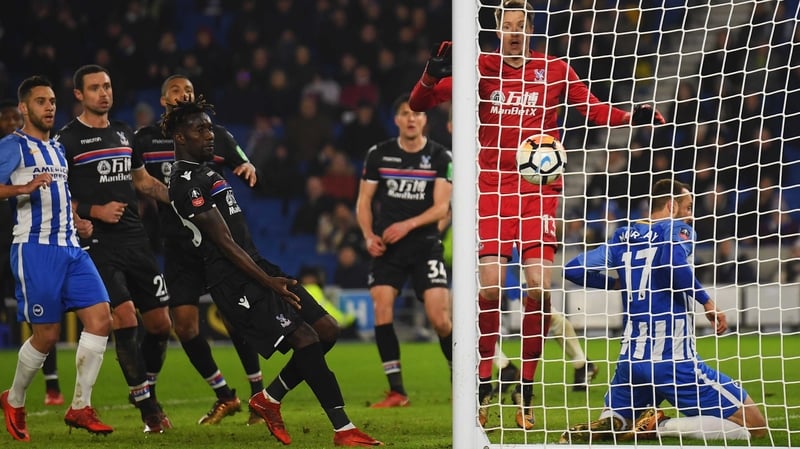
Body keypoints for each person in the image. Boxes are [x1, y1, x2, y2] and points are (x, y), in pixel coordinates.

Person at [408, 0, 665, 429]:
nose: (513, 32)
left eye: (520, 26)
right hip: (489, 191)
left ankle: (525, 394)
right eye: (506, 26)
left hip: (538, 193)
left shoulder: (556, 70)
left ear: (530, 30)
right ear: (497, 29)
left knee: (540, 289)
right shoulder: (480, 67)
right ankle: (483, 386)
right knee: (489, 289)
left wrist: (632, 115)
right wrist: (431, 72)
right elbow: (420, 102)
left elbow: (595, 109)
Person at [163, 96, 382, 447]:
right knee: (307, 339)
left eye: (209, 127)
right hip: (233, 279)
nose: (209, 135)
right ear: (179, 137)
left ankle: (269, 398)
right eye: (199, 129)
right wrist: (270, 283)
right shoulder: (185, 182)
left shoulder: (207, 172)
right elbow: (224, 244)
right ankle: (344, 429)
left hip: (254, 265)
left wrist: (266, 274)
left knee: (327, 330)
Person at [560, 179, 767, 443]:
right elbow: (671, 262)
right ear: (672, 205)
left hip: (630, 361)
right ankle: (661, 426)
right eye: (688, 207)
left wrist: (615, 283)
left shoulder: (623, 236)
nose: (691, 215)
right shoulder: (678, 230)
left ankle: (616, 420)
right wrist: (707, 301)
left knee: (616, 423)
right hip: (673, 360)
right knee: (755, 427)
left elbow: (572, 270)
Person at [133, 74, 264, 425]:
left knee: (235, 318)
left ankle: (259, 396)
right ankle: (225, 395)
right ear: (163, 100)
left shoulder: (212, 132)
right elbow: (140, 181)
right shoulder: (144, 139)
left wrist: (246, 165)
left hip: (213, 241)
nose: (184, 94)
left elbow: (243, 161)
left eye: (189, 90)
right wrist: (176, 199)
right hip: (177, 246)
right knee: (185, 326)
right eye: (176, 90)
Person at [54, 65, 173, 433]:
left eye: (107, 86)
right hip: (98, 245)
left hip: (136, 241)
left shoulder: (124, 132)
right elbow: (58, 196)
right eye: (94, 88)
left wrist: (184, 201)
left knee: (160, 325)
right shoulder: (67, 140)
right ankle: (149, 410)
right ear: (79, 95)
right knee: (124, 319)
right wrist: (90, 213)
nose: (104, 93)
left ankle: (143, 385)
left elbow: (142, 182)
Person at [0, 75, 113, 442]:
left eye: (51, 101)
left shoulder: (58, 149)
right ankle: (14, 399)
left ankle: (80, 405)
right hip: (35, 249)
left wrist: (79, 221)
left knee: (100, 319)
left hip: (71, 248)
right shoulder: (12, 147)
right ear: (23, 108)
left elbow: (60, 193)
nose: (49, 107)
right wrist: (23, 187)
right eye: (40, 101)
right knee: (45, 336)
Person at [356, 94, 453, 408]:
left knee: (439, 319)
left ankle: (460, 378)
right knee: (382, 308)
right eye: (404, 113)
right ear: (396, 119)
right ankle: (397, 391)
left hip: (425, 246)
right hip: (389, 249)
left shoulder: (440, 157)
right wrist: (369, 235)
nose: (411, 118)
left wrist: (408, 225)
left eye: (417, 114)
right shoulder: (379, 154)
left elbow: (441, 209)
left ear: (425, 120)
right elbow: (364, 202)